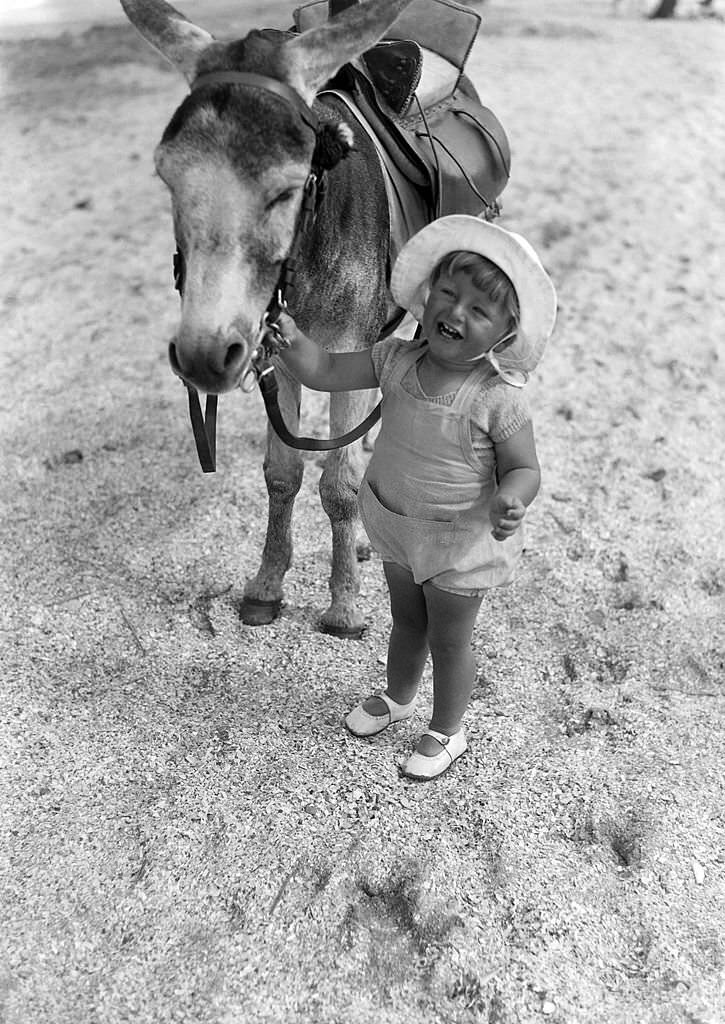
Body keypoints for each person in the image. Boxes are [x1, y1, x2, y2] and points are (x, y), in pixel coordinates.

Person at [276, 215, 557, 781]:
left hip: (460, 540)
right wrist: (293, 339)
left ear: (504, 334)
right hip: (399, 524)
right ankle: (399, 695)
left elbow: (525, 466)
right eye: (448, 295)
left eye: (479, 311)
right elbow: (327, 369)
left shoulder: (497, 398)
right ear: (427, 297)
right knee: (406, 621)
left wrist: (512, 496)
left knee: (451, 639)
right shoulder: (395, 359)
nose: (456, 313)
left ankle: (447, 731)